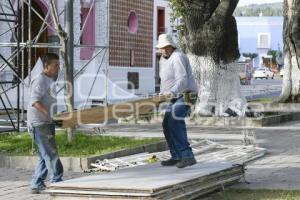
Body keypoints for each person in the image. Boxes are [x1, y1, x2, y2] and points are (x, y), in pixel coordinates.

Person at [157, 34, 198, 168]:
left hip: (187, 94)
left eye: (164, 47)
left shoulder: (177, 57)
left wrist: (172, 92)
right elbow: (165, 79)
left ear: (171, 46)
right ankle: (176, 156)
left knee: (174, 119)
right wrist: (162, 94)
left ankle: (187, 156)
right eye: (161, 48)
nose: (162, 50)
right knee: (166, 124)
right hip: (174, 95)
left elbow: (182, 80)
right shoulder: (163, 59)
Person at [27, 53, 63, 194]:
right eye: (55, 65)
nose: (58, 68)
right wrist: (49, 116)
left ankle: (36, 183)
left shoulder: (50, 79)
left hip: (47, 122)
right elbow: (34, 102)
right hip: (39, 123)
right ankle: (57, 182)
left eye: (59, 65)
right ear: (46, 66)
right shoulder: (40, 80)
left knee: (44, 154)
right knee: (51, 154)